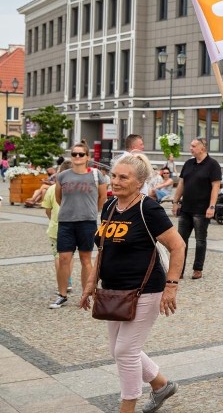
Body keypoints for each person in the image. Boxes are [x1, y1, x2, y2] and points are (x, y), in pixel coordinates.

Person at [80, 153, 185, 413]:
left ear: (139, 182)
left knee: (126, 351)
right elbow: (102, 248)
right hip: (113, 291)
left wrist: (171, 287)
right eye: (113, 175)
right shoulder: (110, 206)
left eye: (123, 177)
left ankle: (126, 407)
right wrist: (91, 283)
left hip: (145, 290)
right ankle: (162, 386)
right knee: (119, 350)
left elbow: (178, 245)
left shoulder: (147, 208)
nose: (115, 181)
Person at [51, 142, 108, 309]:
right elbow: (59, 198)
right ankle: (62, 295)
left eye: (81, 154)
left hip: (87, 222)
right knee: (64, 259)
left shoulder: (97, 175)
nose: (77, 157)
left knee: (85, 259)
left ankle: (87, 294)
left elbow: (102, 198)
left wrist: (90, 212)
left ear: (87, 157)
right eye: (74, 154)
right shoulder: (62, 176)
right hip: (66, 222)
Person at [171, 137, 221, 280]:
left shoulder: (212, 165)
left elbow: (215, 187)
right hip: (186, 208)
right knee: (181, 241)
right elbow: (181, 184)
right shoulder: (188, 163)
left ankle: (197, 269)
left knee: (200, 241)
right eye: (191, 145)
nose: (190, 148)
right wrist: (175, 202)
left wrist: (212, 206)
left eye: (193, 146)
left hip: (202, 209)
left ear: (202, 148)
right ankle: (179, 270)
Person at [43, 161, 73, 297]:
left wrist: (52, 219)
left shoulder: (52, 189)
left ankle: (62, 284)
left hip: (56, 227)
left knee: (58, 257)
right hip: (73, 226)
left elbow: (47, 209)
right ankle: (69, 281)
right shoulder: (76, 189)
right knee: (69, 257)